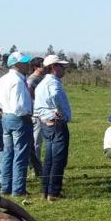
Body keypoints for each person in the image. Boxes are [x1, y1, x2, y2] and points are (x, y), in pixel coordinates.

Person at [34, 55, 73, 201]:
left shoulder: (41, 84)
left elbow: (37, 107)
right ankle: (54, 192)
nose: (64, 69)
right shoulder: (53, 83)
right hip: (57, 124)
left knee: (49, 159)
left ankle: (45, 190)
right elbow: (56, 95)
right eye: (62, 66)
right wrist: (63, 112)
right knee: (58, 159)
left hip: (46, 124)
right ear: (54, 67)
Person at [0, 51, 34, 197]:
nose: (27, 65)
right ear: (17, 64)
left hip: (6, 117)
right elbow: (19, 105)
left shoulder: (3, 79)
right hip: (19, 118)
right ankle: (18, 189)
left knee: (8, 153)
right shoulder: (18, 81)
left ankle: (6, 187)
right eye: (24, 62)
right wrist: (28, 114)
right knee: (20, 154)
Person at [26, 56, 46, 177]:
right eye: (42, 65)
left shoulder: (42, 79)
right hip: (35, 114)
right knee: (36, 142)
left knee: (39, 141)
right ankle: (35, 167)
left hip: (41, 114)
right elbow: (31, 97)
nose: (44, 67)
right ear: (35, 67)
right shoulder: (32, 80)